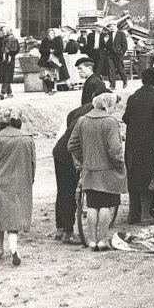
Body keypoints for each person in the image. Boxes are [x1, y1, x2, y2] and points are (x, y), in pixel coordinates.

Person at [0, 107, 36, 265]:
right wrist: (31, 179)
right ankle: (13, 246)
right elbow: (32, 163)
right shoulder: (27, 139)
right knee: (14, 216)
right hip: (20, 181)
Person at [68, 92, 126, 251]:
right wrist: (119, 164)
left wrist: (84, 158)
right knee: (106, 205)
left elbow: (71, 145)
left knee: (92, 205)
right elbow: (115, 149)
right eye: (114, 105)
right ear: (108, 105)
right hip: (108, 170)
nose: (114, 109)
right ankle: (102, 240)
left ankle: (92, 240)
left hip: (89, 170)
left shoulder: (82, 120)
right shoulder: (110, 122)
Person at [122, 68, 154, 224]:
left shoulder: (133, 97)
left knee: (135, 177)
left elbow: (126, 118)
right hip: (150, 146)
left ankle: (133, 213)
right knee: (150, 178)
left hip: (132, 145)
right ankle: (145, 215)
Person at [52, 98, 94, 244]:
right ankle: (68, 232)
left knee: (63, 190)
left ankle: (60, 228)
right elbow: (74, 143)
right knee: (70, 192)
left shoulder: (78, 112)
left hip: (59, 151)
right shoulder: (87, 117)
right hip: (68, 155)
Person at [0, 26, 20, 100]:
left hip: (10, 60)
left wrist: (10, 53)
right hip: (2, 60)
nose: (3, 32)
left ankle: (3, 92)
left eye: (5, 30)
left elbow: (17, 49)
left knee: (7, 76)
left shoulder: (13, 39)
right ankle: (9, 92)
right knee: (4, 76)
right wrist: (1, 54)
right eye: (2, 31)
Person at [104, 22, 128, 90]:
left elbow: (124, 44)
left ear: (116, 25)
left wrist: (121, 52)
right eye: (110, 26)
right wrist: (105, 42)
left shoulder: (121, 33)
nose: (111, 28)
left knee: (120, 68)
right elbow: (107, 46)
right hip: (110, 54)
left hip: (118, 54)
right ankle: (112, 85)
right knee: (111, 69)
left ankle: (125, 80)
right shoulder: (108, 34)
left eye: (112, 26)